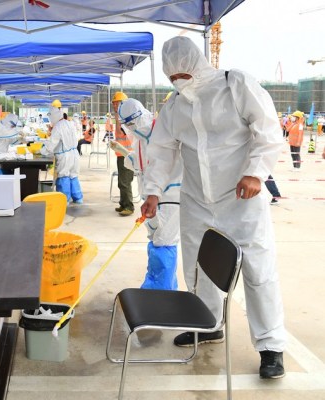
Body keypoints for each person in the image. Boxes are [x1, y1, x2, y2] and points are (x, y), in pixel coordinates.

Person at [141, 36, 286, 379]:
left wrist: (255, 173)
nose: (178, 81)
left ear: (197, 64)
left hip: (242, 198)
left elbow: (267, 129)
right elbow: (162, 151)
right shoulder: (174, 107)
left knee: (257, 270)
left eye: (183, 74)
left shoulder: (234, 85)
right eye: (172, 76)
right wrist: (152, 193)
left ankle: (270, 346)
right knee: (198, 267)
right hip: (196, 200)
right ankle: (208, 324)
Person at [113, 98, 182, 290]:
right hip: (150, 197)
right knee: (155, 239)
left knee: (164, 241)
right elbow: (142, 164)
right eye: (127, 125)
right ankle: (159, 286)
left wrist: (154, 193)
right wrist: (125, 153)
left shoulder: (163, 132)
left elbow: (163, 164)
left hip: (169, 196)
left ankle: (161, 292)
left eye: (132, 123)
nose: (130, 128)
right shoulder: (141, 138)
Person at [41, 105, 83, 203]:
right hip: (74, 153)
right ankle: (78, 198)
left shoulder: (58, 127)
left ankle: (63, 200)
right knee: (73, 175)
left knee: (64, 176)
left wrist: (42, 150)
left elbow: (51, 144)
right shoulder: (69, 123)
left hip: (65, 156)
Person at [111, 91, 134, 216]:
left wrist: (117, 115)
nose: (115, 106)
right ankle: (123, 204)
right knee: (121, 182)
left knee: (125, 181)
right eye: (114, 103)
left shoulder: (126, 119)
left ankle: (129, 207)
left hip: (127, 155)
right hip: (121, 154)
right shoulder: (121, 117)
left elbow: (121, 132)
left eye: (117, 103)